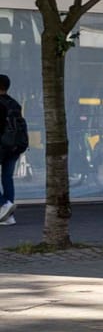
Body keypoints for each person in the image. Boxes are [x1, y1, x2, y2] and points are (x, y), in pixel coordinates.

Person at [0, 75, 28, 225]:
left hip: (2, 146)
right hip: (15, 146)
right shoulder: (14, 103)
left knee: (7, 178)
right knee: (7, 178)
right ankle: (8, 217)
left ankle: (4, 205)